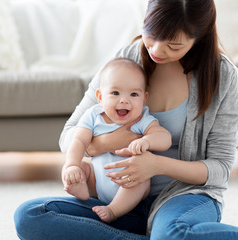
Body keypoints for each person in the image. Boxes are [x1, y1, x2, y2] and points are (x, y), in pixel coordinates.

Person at [14, 0, 238, 239]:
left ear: (199, 37)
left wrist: (155, 165)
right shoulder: (128, 58)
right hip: (115, 200)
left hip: (182, 198)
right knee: (31, 215)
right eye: (152, 35)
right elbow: (69, 134)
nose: (157, 50)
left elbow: (220, 170)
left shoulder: (223, 76)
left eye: (174, 45)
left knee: (173, 233)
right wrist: (100, 145)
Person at [62, 58, 171, 223]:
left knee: (140, 182)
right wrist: (72, 165)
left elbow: (164, 138)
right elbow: (78, 141)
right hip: (97, 182)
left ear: (144, 98)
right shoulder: (93, 116)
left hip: (131, 182)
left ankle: (113, 210)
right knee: (82, 168)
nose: (124, 100)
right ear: (99, 96)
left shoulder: (141, 119)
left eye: (134, 94)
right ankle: (81, 188)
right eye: (115, 93)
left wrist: (147, 141)